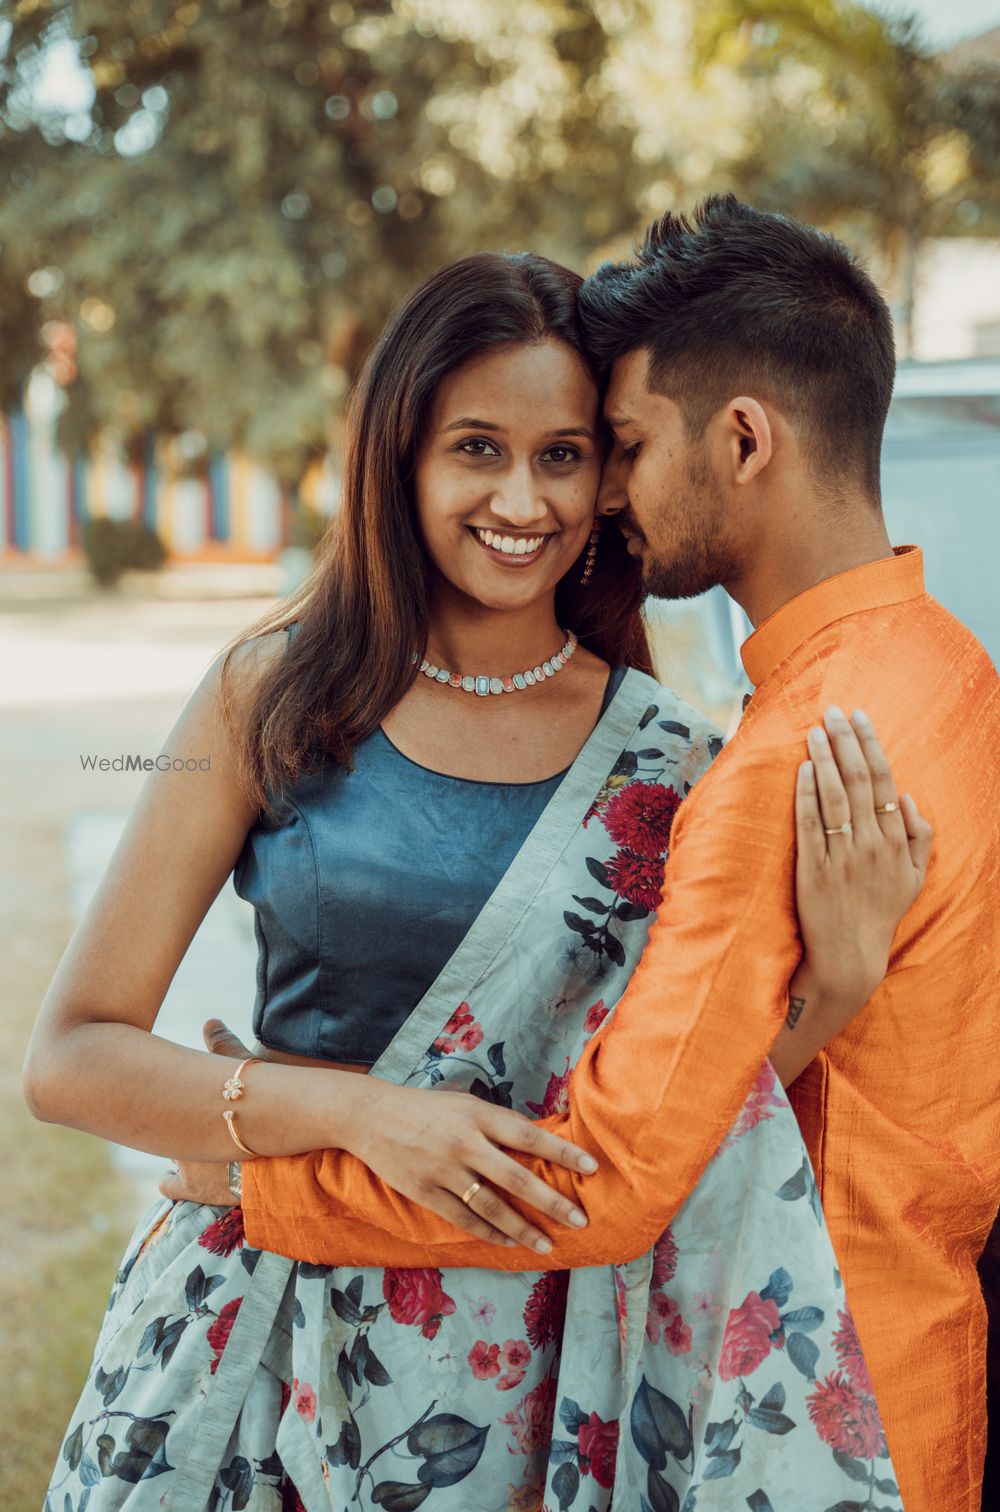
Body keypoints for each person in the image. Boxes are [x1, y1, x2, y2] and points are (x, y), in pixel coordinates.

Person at [26, 249, 927, 1512]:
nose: (523, 497)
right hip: (258, 1332)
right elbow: (69, 1058)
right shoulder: (269, 697)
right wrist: (357, 1114)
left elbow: (668, 1129)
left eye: (563, 453)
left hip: (525, 1375)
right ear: (401, 457)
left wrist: (836, 981)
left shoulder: (676, 762)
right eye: (476, 448)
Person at [242, 200, 1000, 1512]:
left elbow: (606, 1182)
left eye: (628, 447)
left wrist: (266, 1185)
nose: (603, 495)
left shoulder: (793, 757)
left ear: (746, 438)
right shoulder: (951, 670)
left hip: (805, 1419)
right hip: (926, 1361)